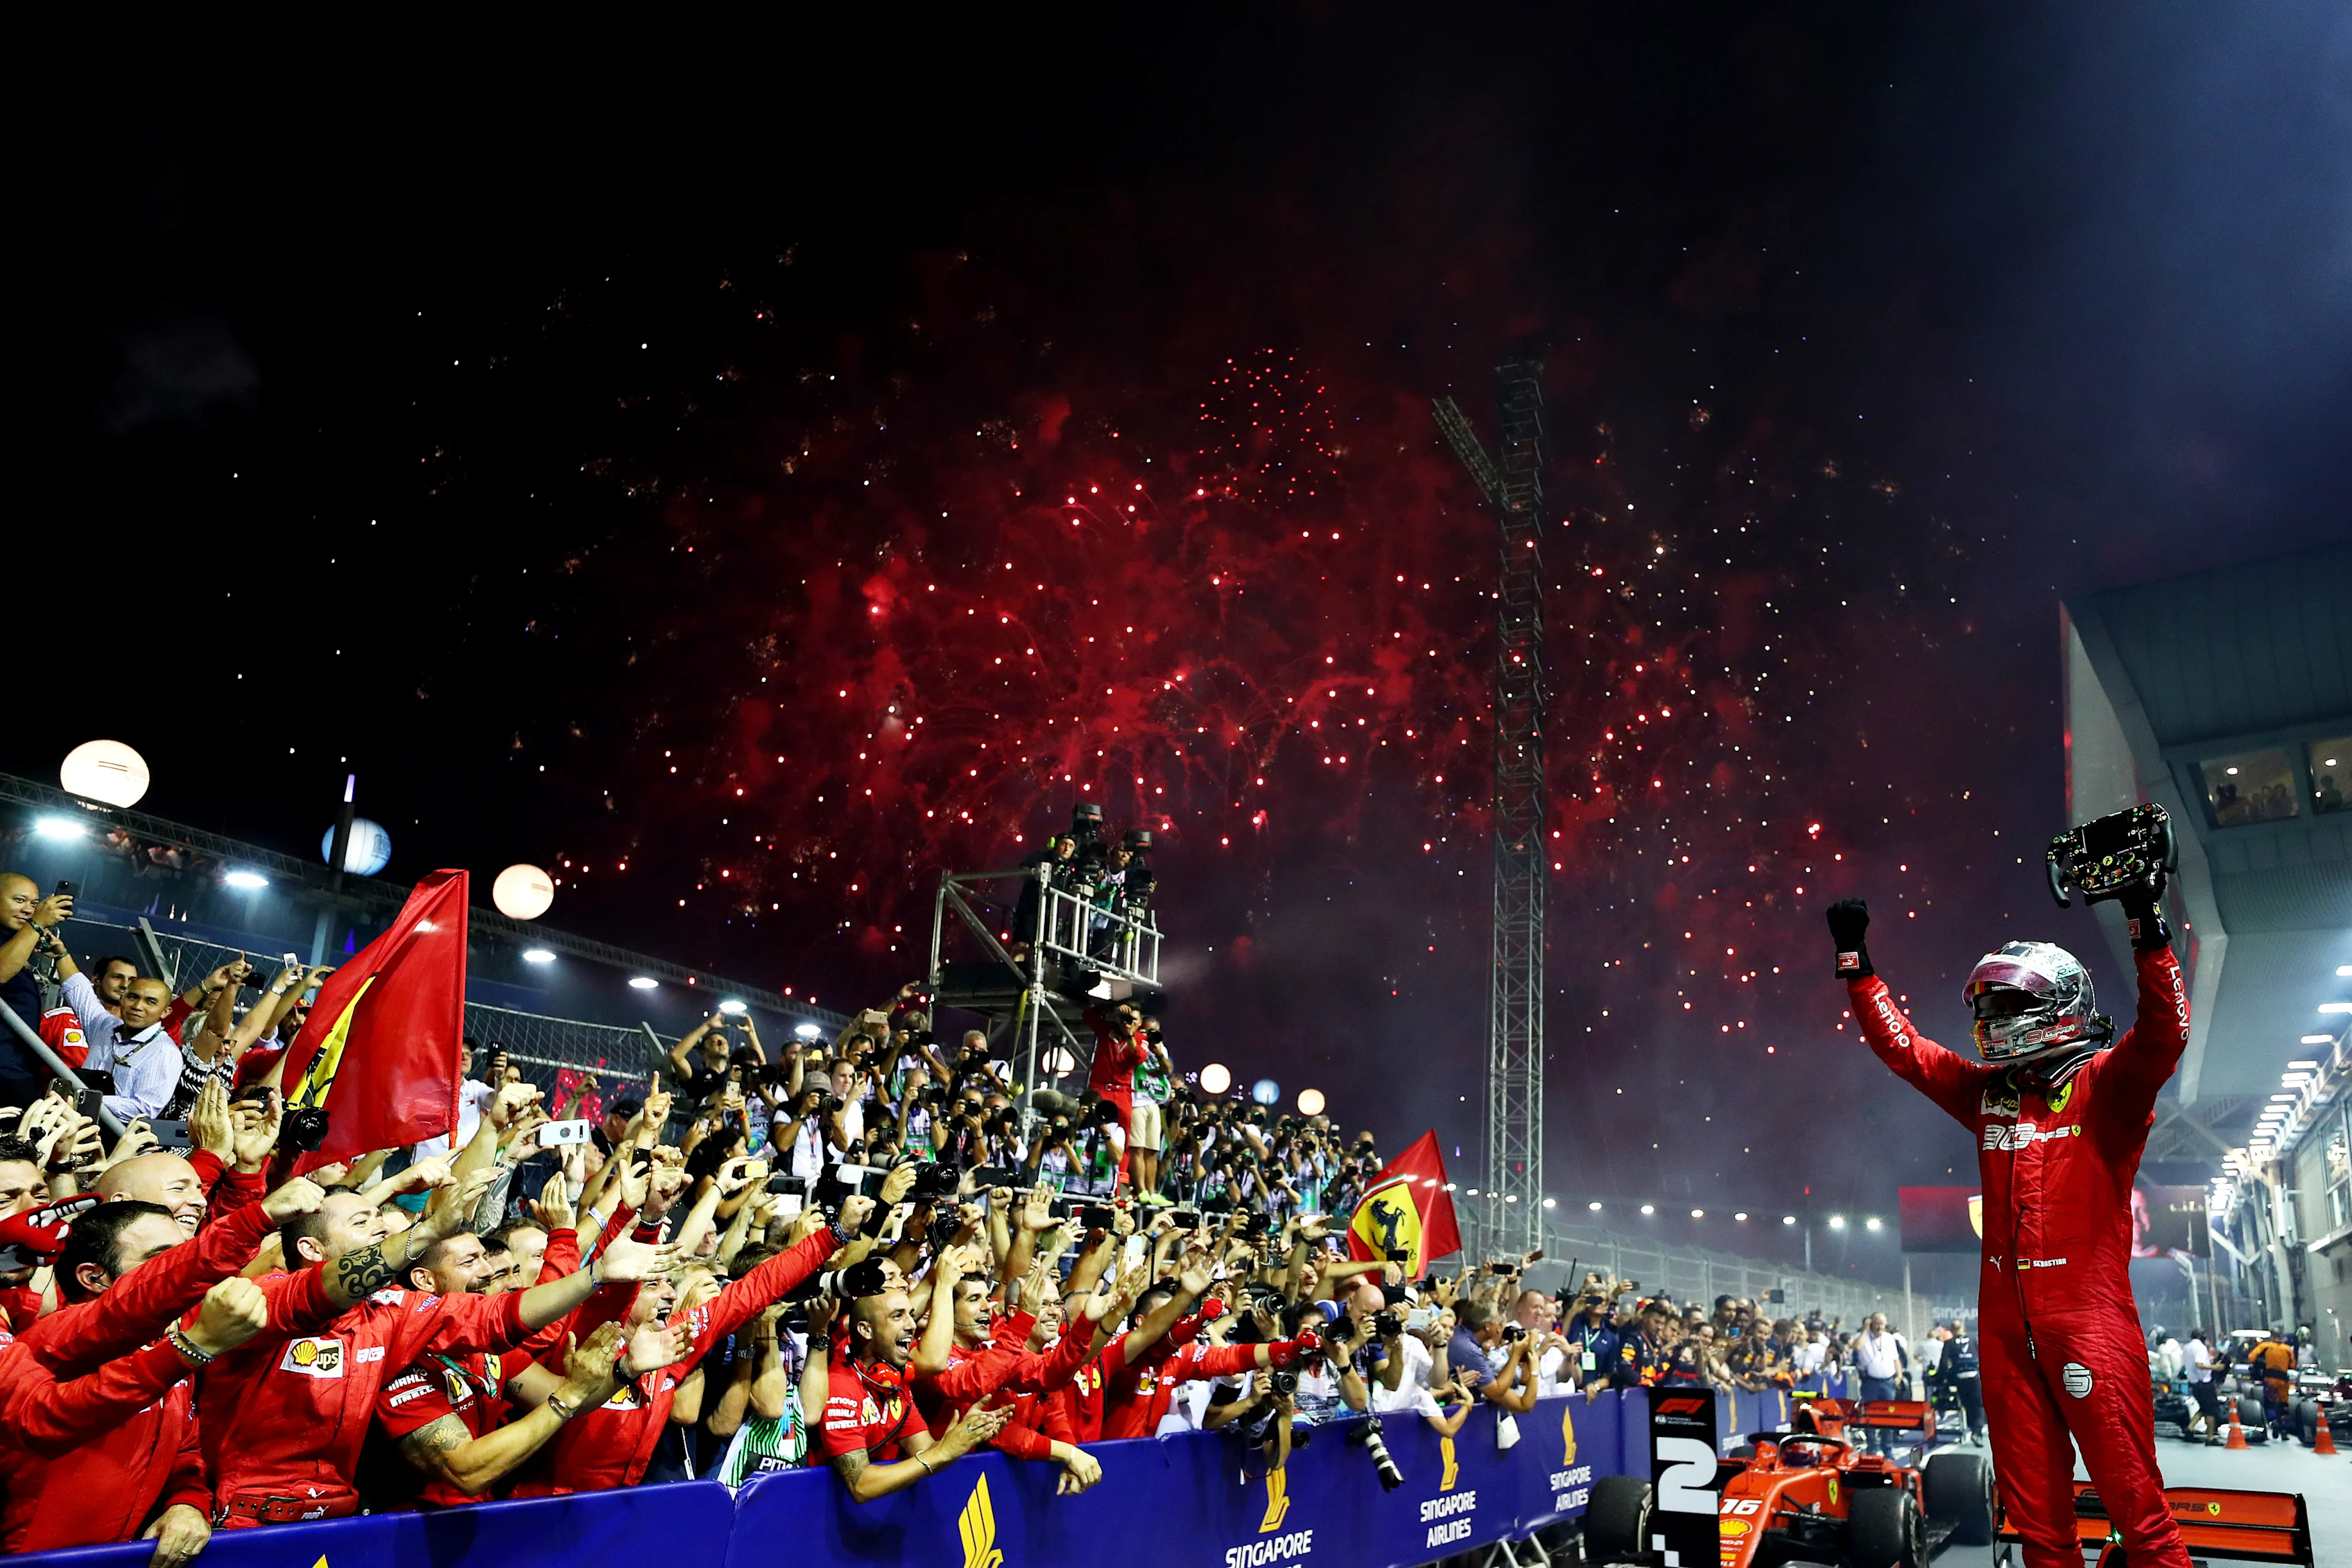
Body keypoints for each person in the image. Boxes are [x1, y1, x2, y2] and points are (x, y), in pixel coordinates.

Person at [1827, 870, 2193, 1568]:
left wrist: (2144, 918)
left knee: (2137, 1516)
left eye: (2005, 1006)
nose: (1990, 1022)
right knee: (2038, 1526)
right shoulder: (1988, 1095)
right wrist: (1856, 968)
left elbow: (2164, 1030)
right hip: (1999, 1331)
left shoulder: (2107, 1086)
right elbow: (1906, 1052)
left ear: (2057, 1006)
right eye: (1985, 1008)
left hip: (2088, 1322)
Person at [1933, 1318, 1985, 1445]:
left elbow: (1944, 1363)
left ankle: (1971, 1427)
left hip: (1960, 1377)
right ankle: (1977, 1431)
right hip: (1974, 1376)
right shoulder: (1973, 1340)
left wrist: (1940, 1378)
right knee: (1978, 1405)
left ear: (1951, 1331)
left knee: (1966, 1404)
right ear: (1964, 1329)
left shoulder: (1949, 1343)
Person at [2182, 1327, 2220, 1440]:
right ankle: (2210, 1438)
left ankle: (2190, 1429)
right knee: (2211, 1410)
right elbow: (2199, 1364)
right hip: (2203, 1383)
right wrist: (2215, 1367)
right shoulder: (2200, 1348)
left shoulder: (2187, 1347)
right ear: (2200, 1336)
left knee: (2204, 1408)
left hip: (2193, 1383)